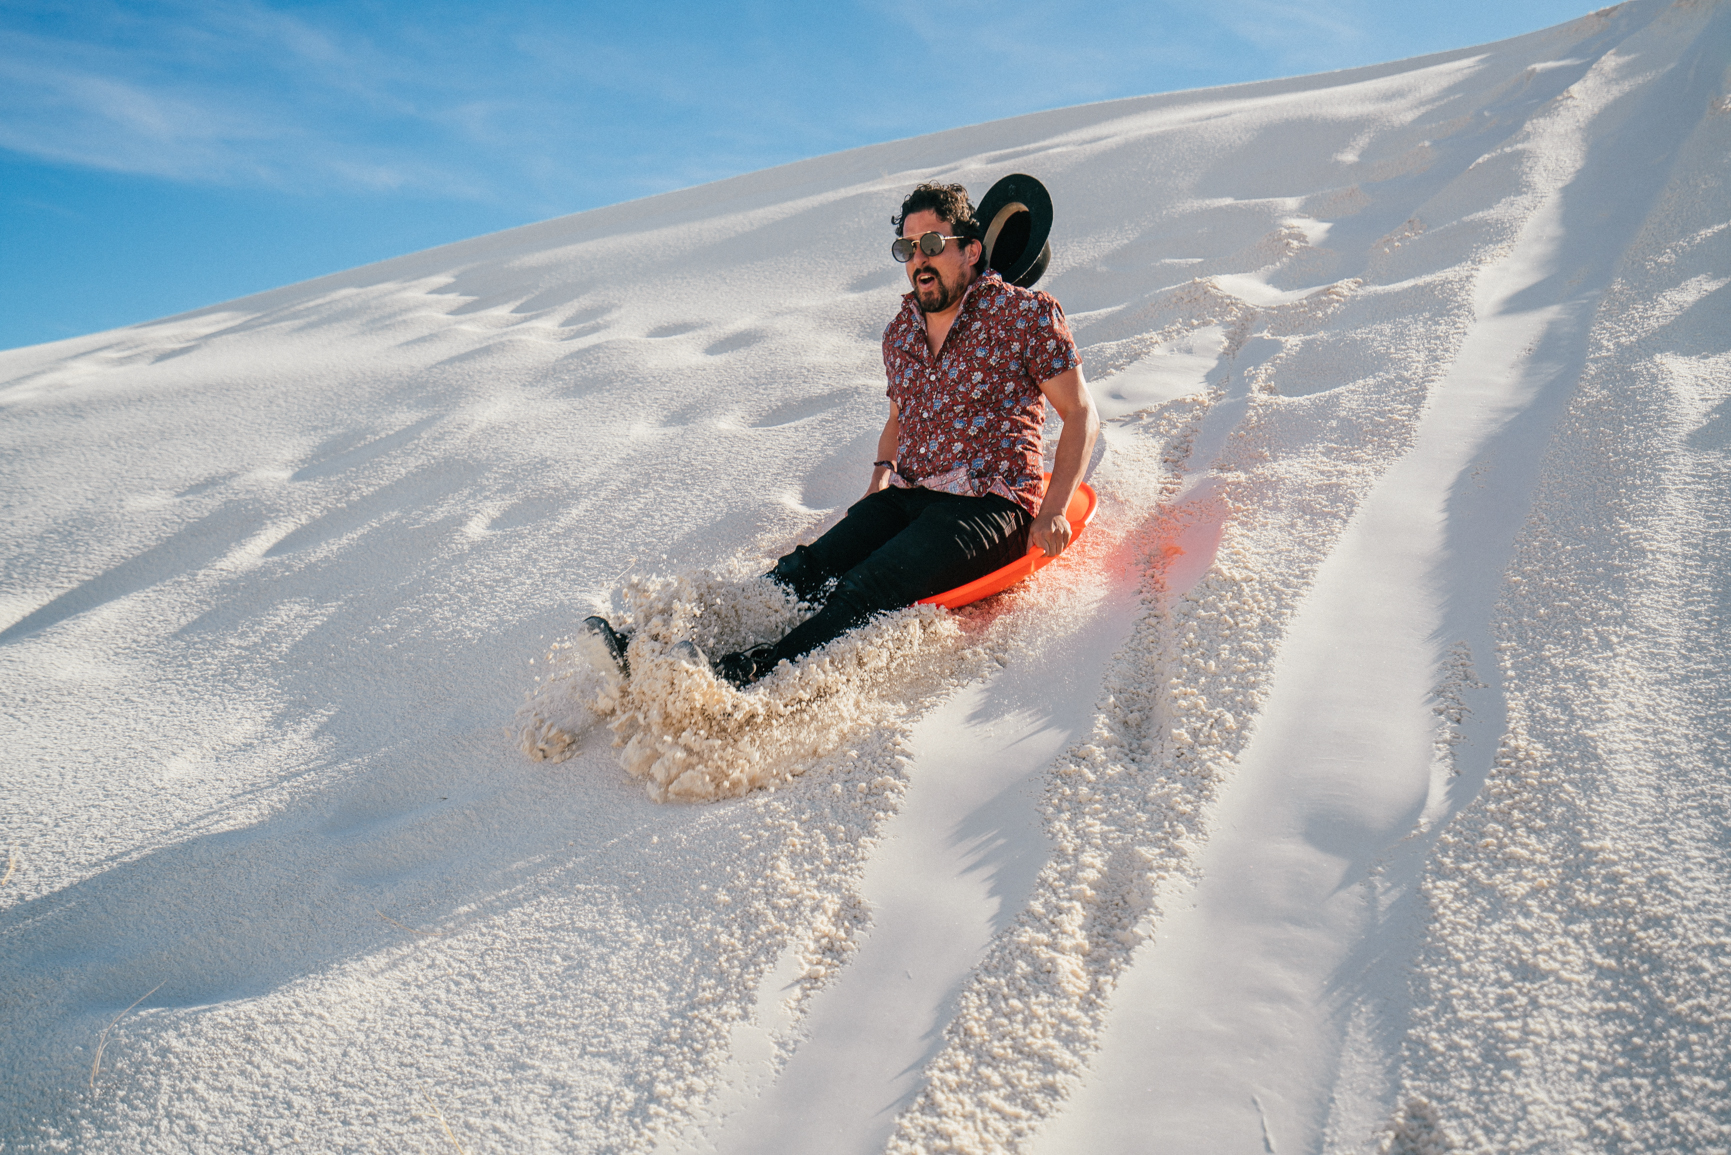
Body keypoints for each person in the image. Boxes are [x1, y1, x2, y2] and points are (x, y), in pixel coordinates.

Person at [586, 181, 1098, 687]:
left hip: (990, 503)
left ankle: (736, 681)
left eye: (934, 244)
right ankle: (644, 648)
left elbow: (1080, 415)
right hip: (908, 496)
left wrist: (1052, 511)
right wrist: (881, 475)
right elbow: (901, 419)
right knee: (801, 571)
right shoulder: (900, 333)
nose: (920, 258)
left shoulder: (1024, 315)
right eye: (908, 247)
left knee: (864, 587)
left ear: (971, 250)